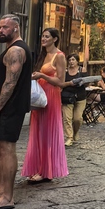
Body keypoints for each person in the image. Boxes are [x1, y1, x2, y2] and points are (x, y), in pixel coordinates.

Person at [0, 14, 32, 209]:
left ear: (16, 28)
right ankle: (1, 192)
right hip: (8, 107)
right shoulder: (12, 49)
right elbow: (9, 79)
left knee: (7, 148)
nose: (1, 30)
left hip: (11, 108)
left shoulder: (16, 50)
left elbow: (11, 83)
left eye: (5, 27)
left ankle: (7, 198)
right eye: (0, 27)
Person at [21, 27, 68, 184]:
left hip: (51, 97)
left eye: (47, 36)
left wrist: (42, 75)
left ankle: (46, 170)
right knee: (38, 132)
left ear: (55, 39)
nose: (43, 39)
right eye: (43, 36)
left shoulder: (59, 56)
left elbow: (61, 81)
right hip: (40, 96)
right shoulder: (43, 55)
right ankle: (38, 168)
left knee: (47, 132)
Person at [60, 54, 87, 148]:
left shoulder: (82, 70)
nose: (71, 62)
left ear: (77, 61)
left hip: (80, 97)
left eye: (73, 60)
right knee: (67, 118)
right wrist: (69, 84)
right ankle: (69, 137)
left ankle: (75, 132)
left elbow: (86, 83)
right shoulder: (65, 71)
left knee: (77, 119)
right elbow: (61, 83)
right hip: (67, 97)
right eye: (70, 60)